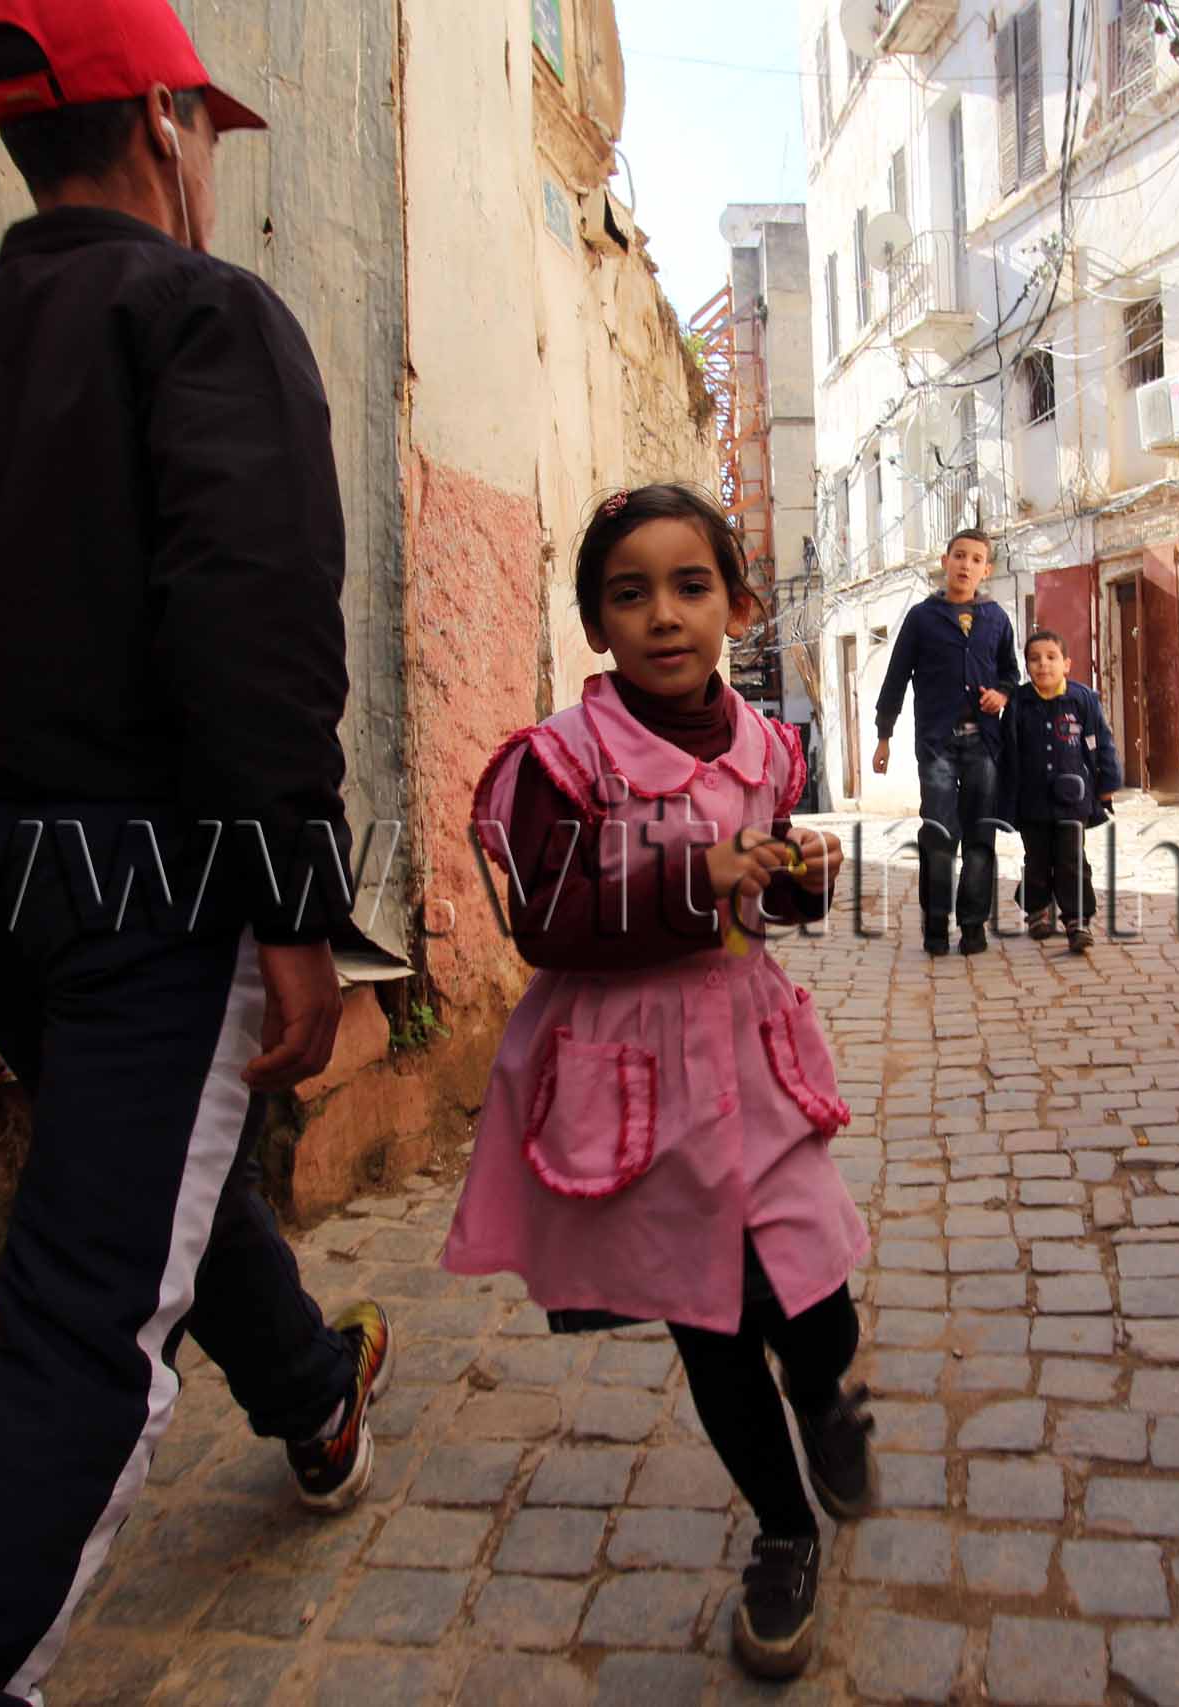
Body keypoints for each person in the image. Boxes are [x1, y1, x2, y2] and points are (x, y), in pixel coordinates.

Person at [0, 3, 387, 1699]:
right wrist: (293, 909)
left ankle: (311, 1388)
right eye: (207, 129)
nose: (211, 160)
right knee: (85, 1326)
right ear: (159, 121)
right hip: (165, 884)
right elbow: (249, 629)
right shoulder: (208, 315)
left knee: (129, 1181)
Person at [450, 484, 874, 1682]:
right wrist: (696, 874)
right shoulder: (558, 762)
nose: (663, 616)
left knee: (816, 1296)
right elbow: (544, 924)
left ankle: (827, 1390)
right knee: (713, 1322)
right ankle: (785, 1533)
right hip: (633, 1080)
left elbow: (769, 895)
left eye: (690, 586)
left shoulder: (767, 744)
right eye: (627, 594)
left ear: (736, 603)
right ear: (595, 623)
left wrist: (793, 872)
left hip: (750, 1052)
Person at [871, 528, 1021, 956]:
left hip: (984, 745)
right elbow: (896, 677)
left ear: (986, 570)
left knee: (980, 835)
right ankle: (936, 924)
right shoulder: (922, 618)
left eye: (976, 559)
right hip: (937, 744)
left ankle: (973, 925)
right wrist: (885, 736)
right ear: (945, 561)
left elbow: (1010, 672)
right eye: (959, 556)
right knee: (938, 832)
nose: (966, 565)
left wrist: (1004, 693)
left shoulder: (997, 619)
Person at [997, 627, 1124, 953]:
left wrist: (1107, 784)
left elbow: (1101, 743)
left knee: (1070, 859)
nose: (1043, 665)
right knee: (1037, 858)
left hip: (1073, 799)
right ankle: (1037, 910)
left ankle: (1077, 920)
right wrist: (1004, 797)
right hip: (1032, 800)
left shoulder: (1083, 700)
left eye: (1051, 658)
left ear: (1066, 663)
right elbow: (1007, 751)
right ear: (1027, 666)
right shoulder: (1018, 704)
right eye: (1035, 659)